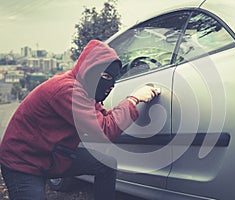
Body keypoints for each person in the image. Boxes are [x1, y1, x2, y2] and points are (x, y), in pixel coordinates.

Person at [0, 40, 159, 200]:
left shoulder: (83, 88)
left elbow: (103, 116)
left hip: (51, 156)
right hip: (23, 163)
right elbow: (103, 130)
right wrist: (133, 99)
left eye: (112, 78)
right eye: (104, 75)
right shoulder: (68, 90)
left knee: (106, 164)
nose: (109, 84)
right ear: (88, 69)